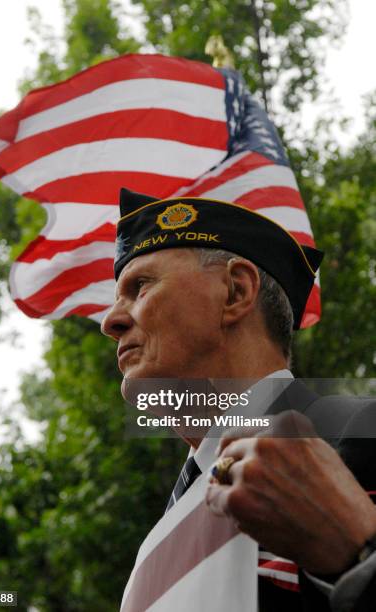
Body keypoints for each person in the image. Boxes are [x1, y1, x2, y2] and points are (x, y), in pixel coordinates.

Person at [101, 187, 376, 612]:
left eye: (141, 287)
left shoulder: (361, 433)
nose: (111, 321)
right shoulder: (154, 541)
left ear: (234, 291)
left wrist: (356, 554)